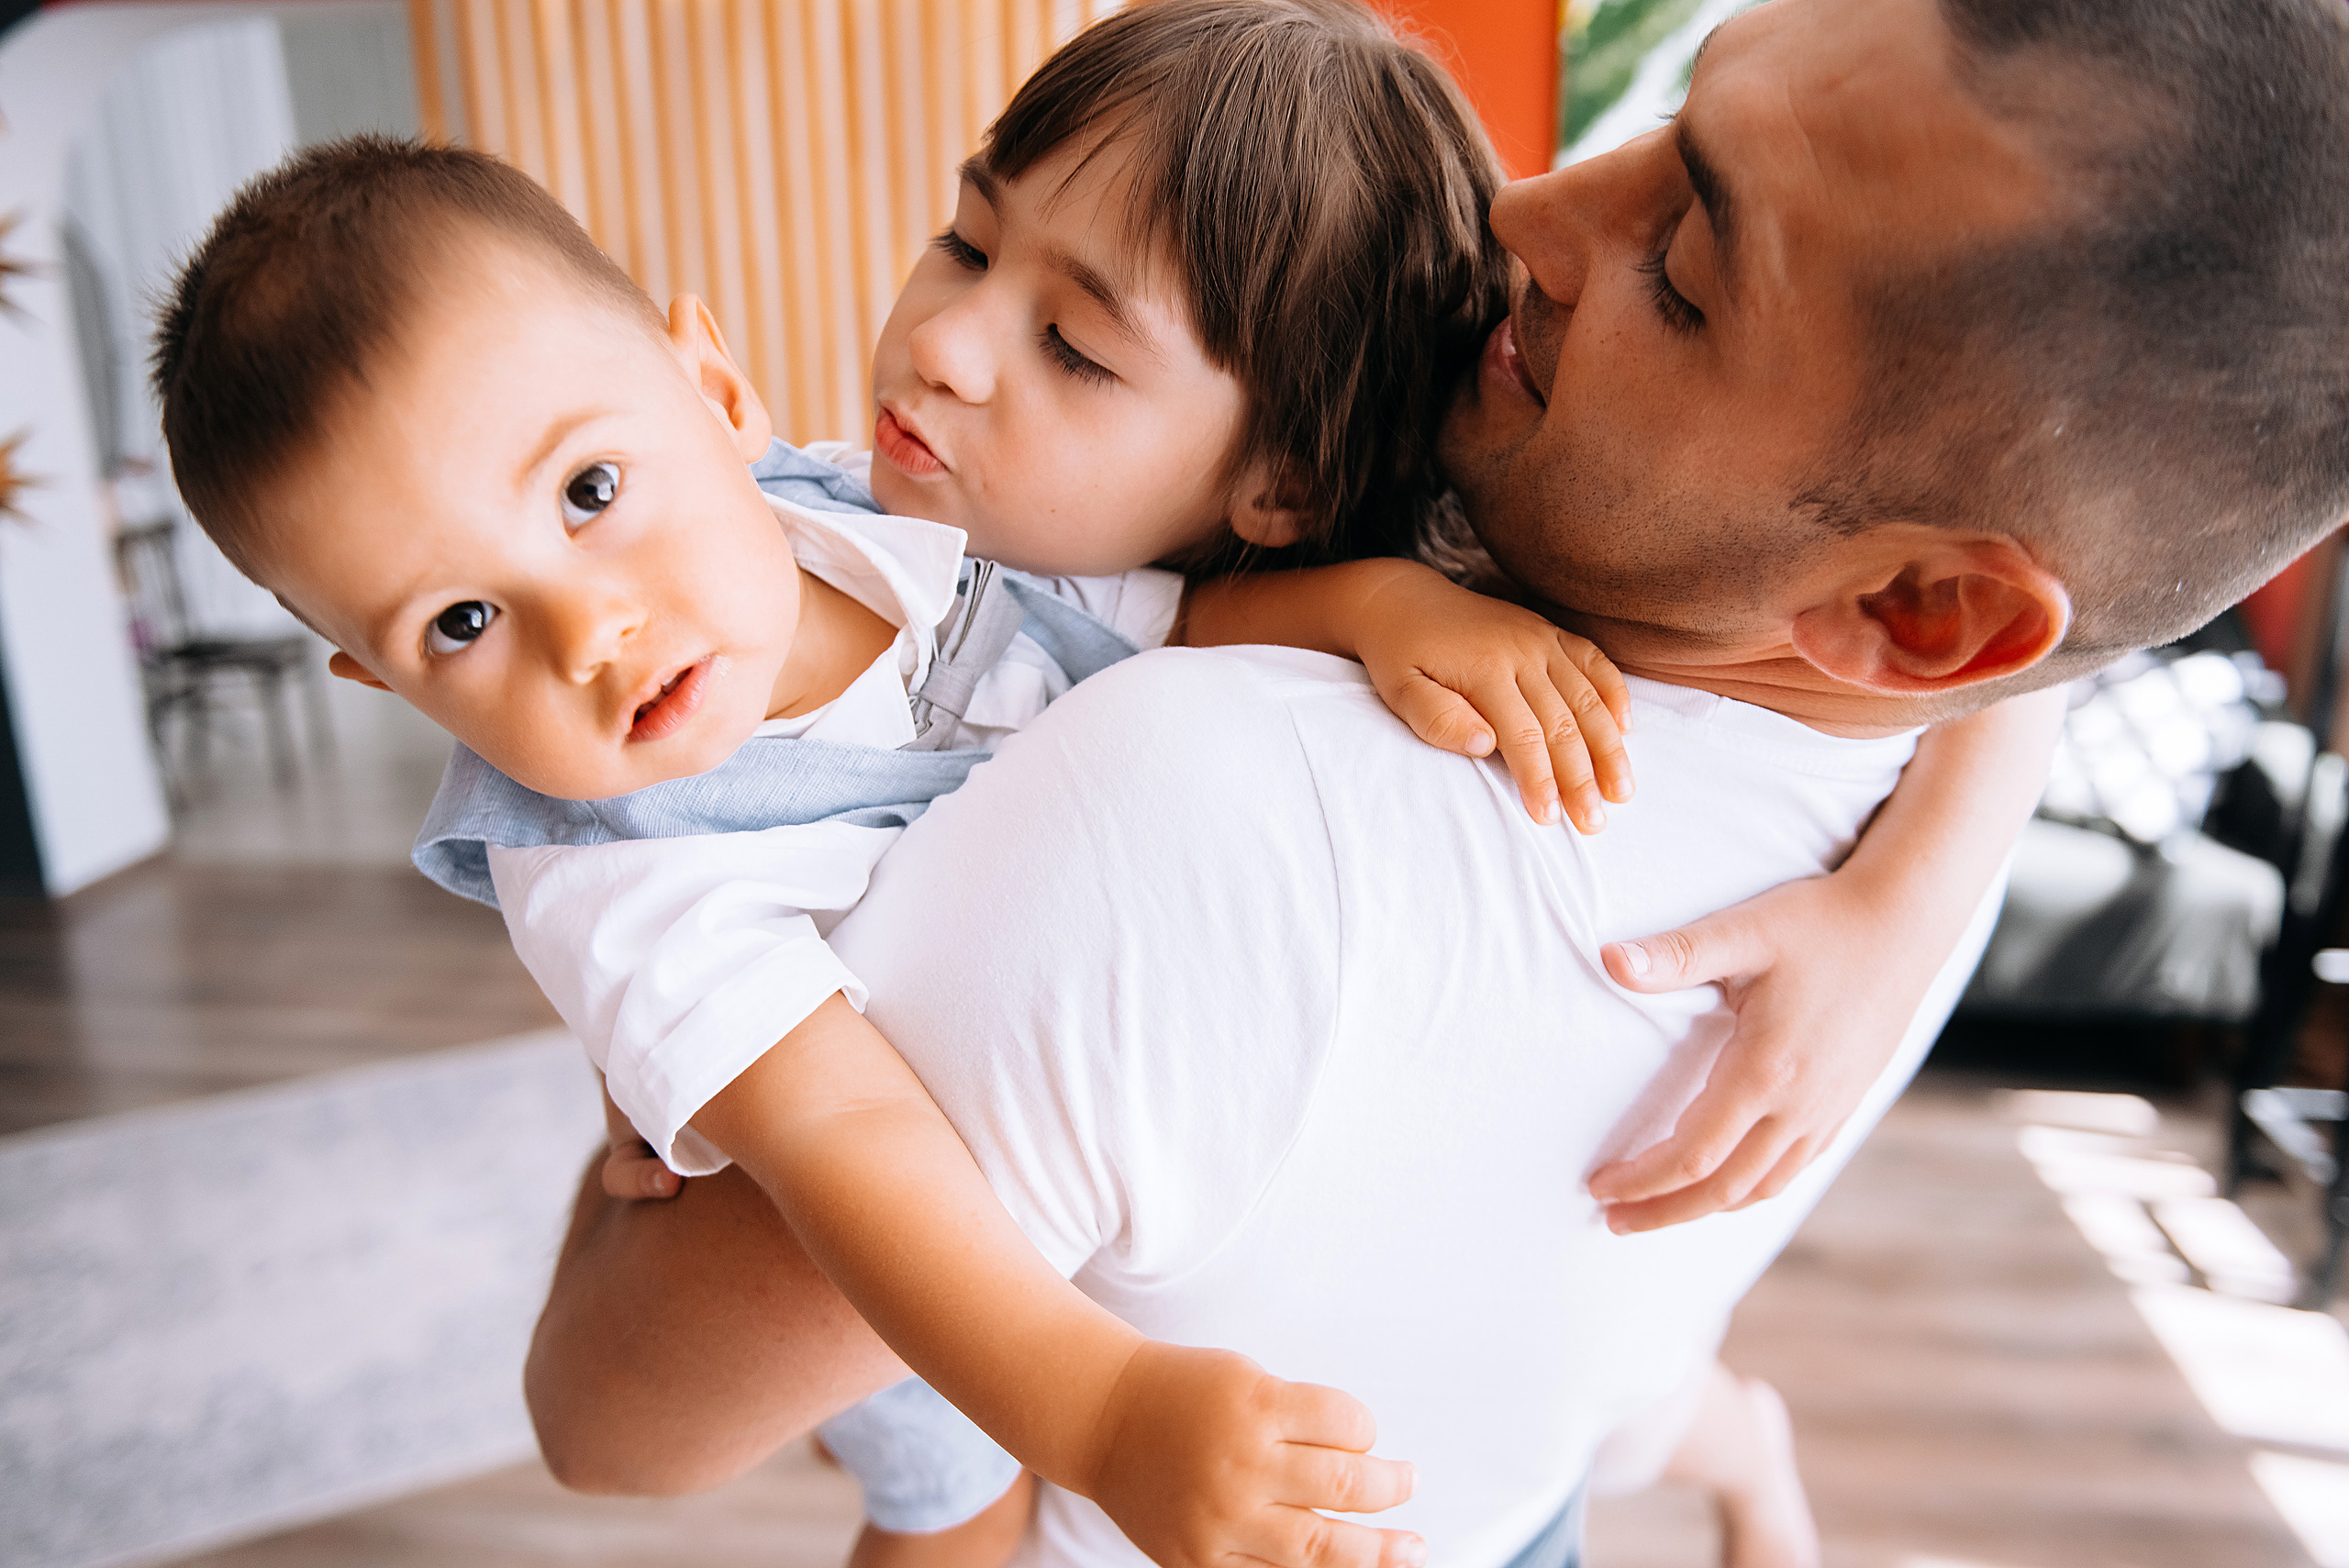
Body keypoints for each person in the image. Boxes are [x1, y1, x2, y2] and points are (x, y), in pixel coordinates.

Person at [515, 3, 2349, 1568]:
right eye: (1657, 129)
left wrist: (661, 1071)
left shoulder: (1187, 814)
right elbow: (2025, 673)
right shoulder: (1898, 759)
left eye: (1690, 278)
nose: (1529, 210)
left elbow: (614, 1419)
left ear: (1923, 607)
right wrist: (1924, 876)